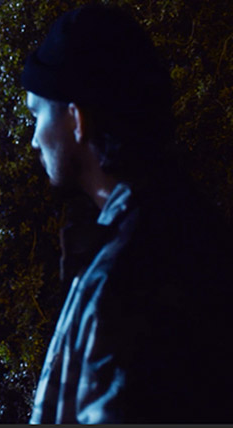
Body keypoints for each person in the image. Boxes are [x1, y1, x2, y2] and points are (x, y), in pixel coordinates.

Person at [21, 3, 233, 423]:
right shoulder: (186, 226)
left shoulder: (130, 276)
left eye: (36, 114)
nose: (33, 140)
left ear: (77, 119)